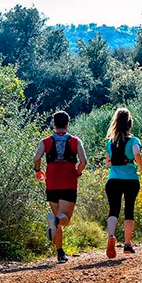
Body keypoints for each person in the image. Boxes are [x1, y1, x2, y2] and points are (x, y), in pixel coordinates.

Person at [34, 110, 87, 264]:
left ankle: (60, 253)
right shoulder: (76, 141)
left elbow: (37, 158)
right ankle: (56, 222)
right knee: (65, 219)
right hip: (68, 182)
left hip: (51, 183)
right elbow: (83, 162)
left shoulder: (45, 141)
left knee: (57, 217)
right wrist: (77, 172)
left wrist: (38, 172)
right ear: (67, 124)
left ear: (54, 125)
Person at [104, 107, 142, 259]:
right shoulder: (134, 140)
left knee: (113, 210)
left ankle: (111, 236)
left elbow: (108, 163)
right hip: (130, 180)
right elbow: (136, 153)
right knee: (129, 210)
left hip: (113, 180)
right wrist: (141, 166)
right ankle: (127, 244)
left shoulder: (110, 142)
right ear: (130, 123)